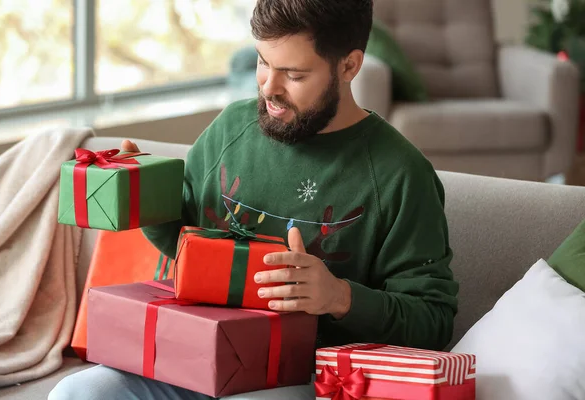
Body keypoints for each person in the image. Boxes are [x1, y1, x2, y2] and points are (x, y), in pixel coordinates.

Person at [49, 0, 459, 399]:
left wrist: (337, 296)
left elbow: (433, 322)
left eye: (294, 75)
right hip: (189, 355)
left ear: (349, 66)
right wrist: (142, 196)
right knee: (77, 392)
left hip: (295, 376)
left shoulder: (401, 175)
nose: (268, 87)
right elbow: (183, 244)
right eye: (263, 62)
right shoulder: (231, 127)